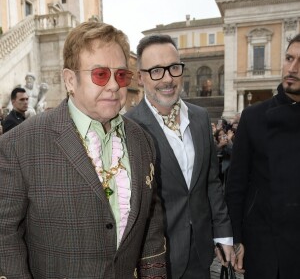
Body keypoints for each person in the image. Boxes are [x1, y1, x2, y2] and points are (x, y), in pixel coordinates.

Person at [0, 22, 166, 278]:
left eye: (121, 75)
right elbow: (5, 238)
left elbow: (151, 224)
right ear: (70, 80)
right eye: (100, 74)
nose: (114, 85)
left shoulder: (142, 141)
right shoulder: (19, 145)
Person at [125, 34, 235, 279]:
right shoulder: (128, 127)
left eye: (174, 68)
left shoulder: (200, 117)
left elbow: (211, 183)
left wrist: (223, 234)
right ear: (141, 77)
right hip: (154, 260)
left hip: (200, 254)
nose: (167, 78)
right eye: (156, 70)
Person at [226, 33, 300, 279]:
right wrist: (236, 239)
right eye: (289, 58)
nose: (293, 68)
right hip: (266, 248)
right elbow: (236, 185)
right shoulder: (253, 117)